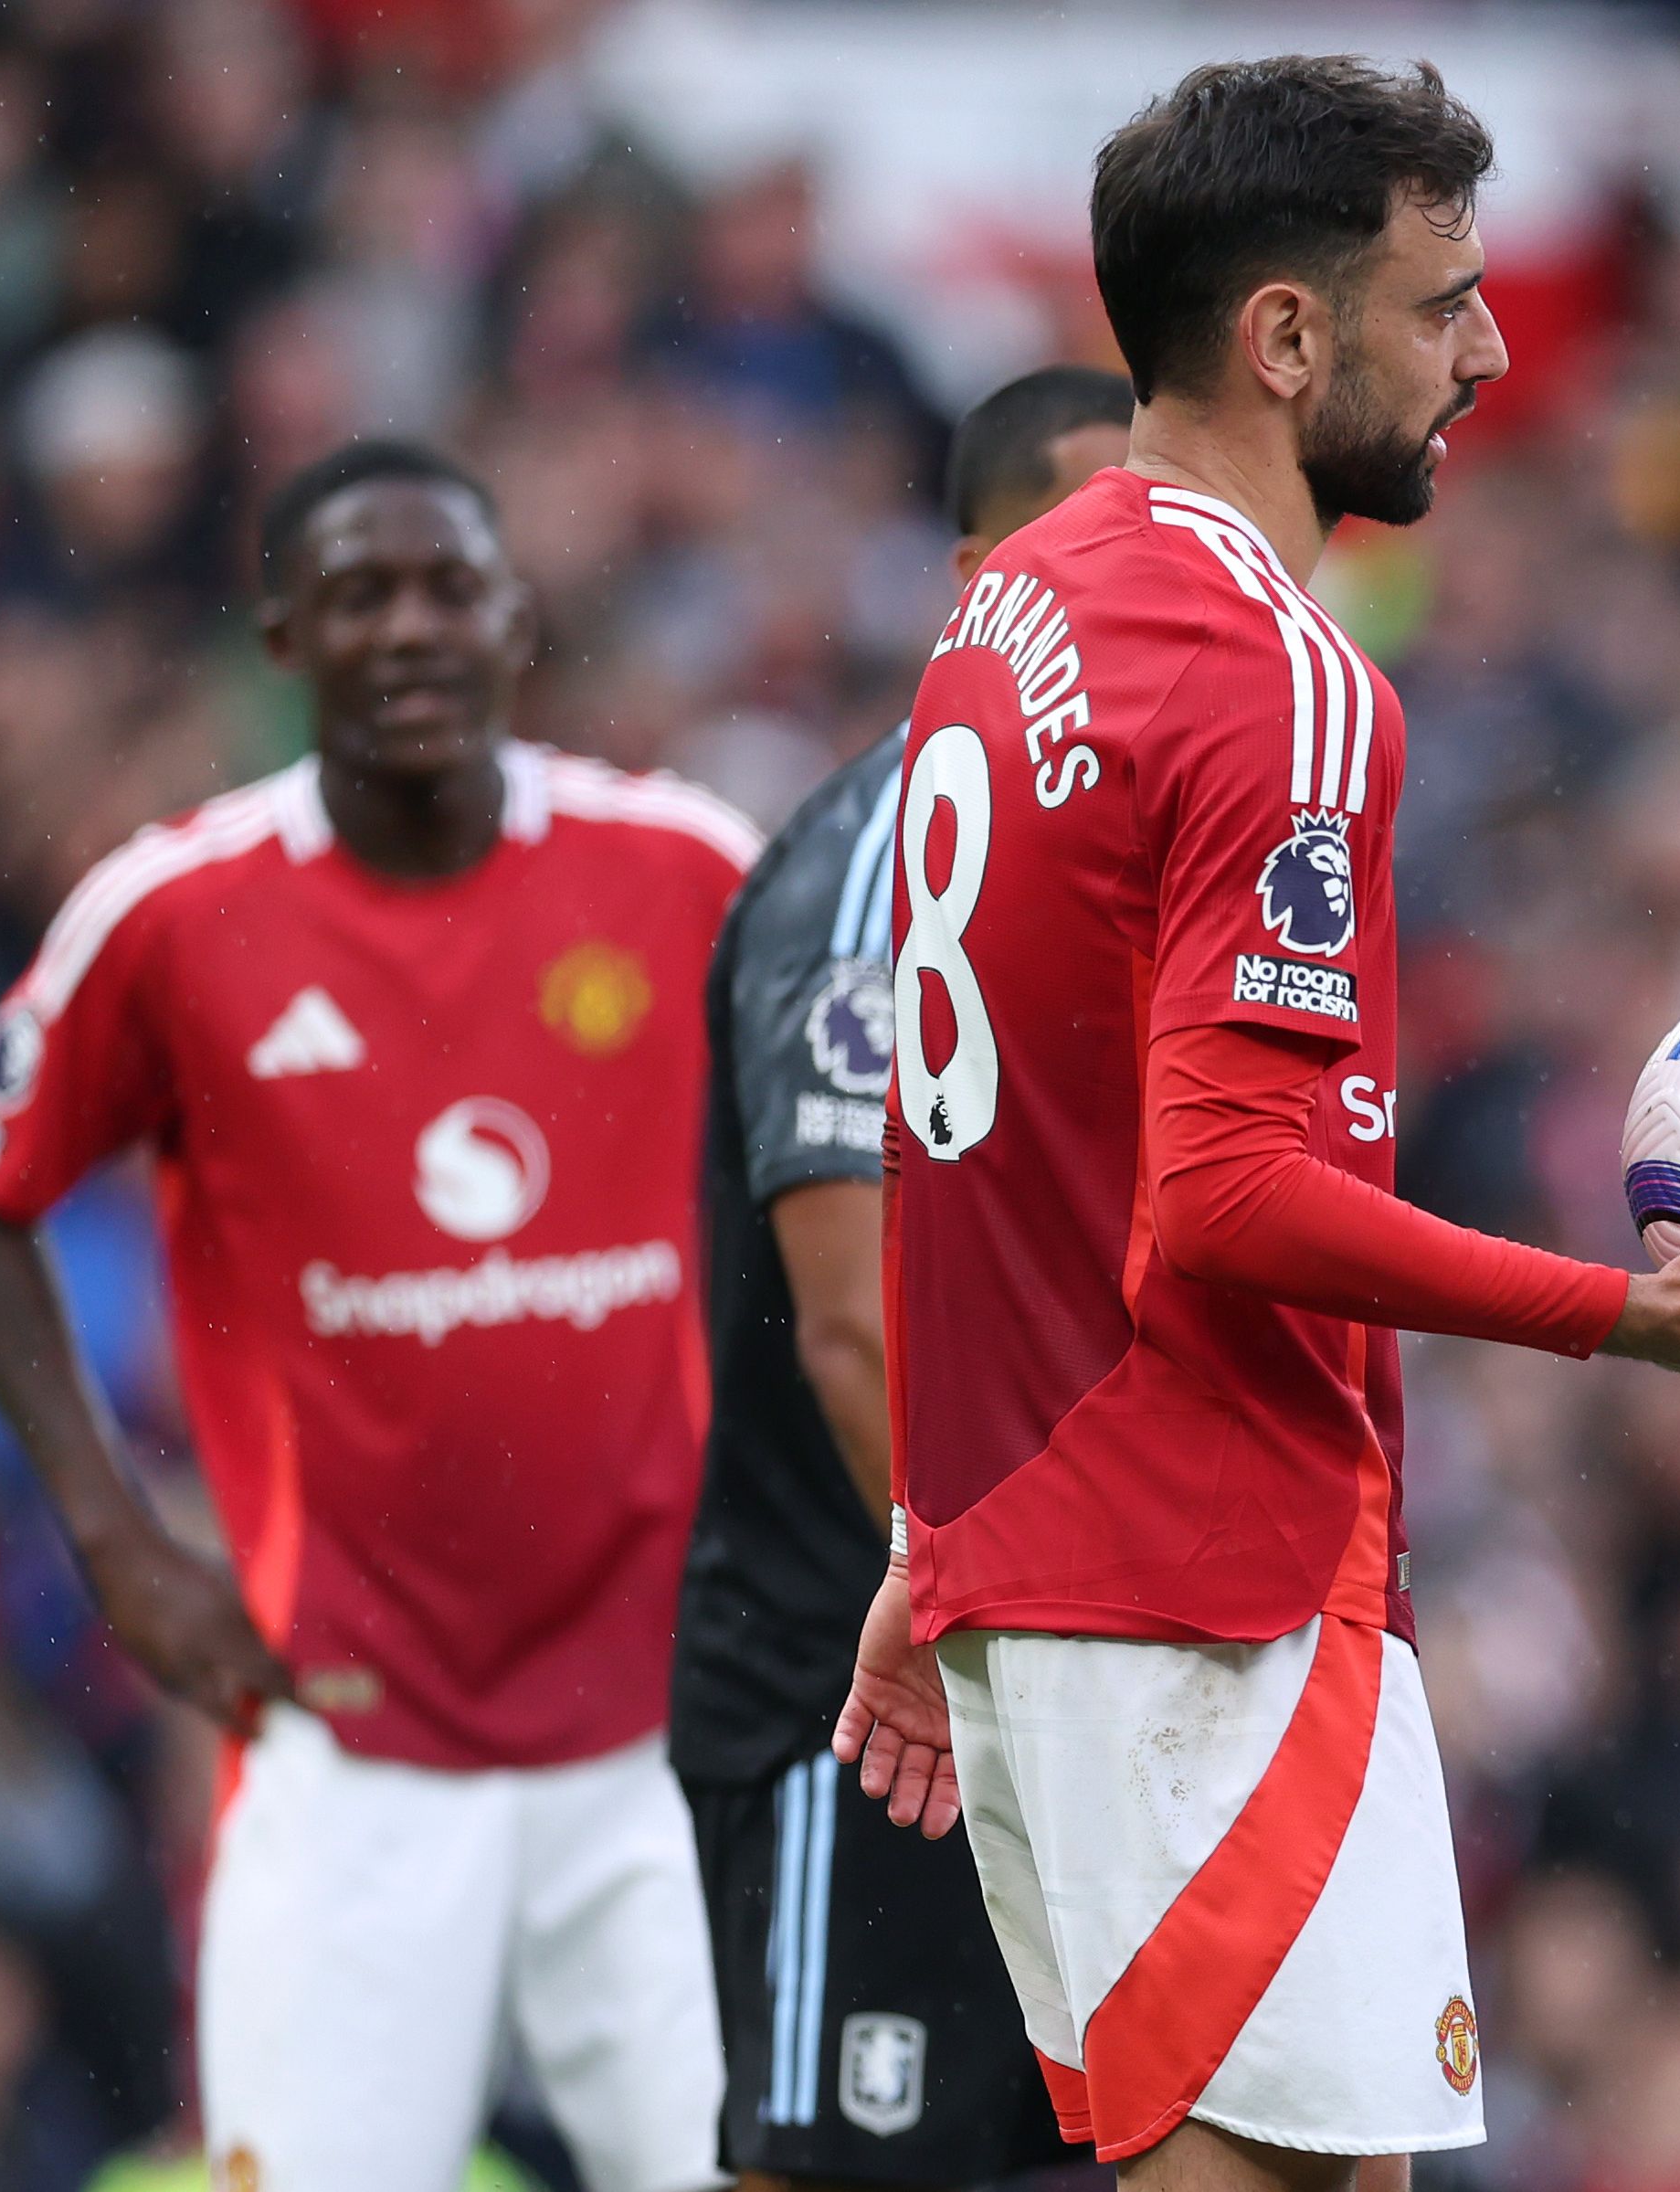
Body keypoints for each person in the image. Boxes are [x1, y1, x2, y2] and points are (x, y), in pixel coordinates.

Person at [823, 57, 1680, 2191]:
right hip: (1199, 1581)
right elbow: (1228, 1193)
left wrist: (935, 1541)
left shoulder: (1010, 606)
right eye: (1445, 306)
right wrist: (1634, 1317)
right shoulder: (1284, 676)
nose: (1492, 356)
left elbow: (976, 1125)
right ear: (1288, 336)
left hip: (1047, 1563)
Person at [0, 440, 757, 2192]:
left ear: (518, 621)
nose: (413, 629)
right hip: (343, 1732)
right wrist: (117, 1546)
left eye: (450, 587)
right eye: (362, 595)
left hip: (660, 1723)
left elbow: (858, 1165)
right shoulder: (176, 912)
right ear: (285, 639)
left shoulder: (685, 868)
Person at [671, 365, 1131, 2192]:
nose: (1120, 591)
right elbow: (858, 1327)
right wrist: (1017, 1624)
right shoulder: (878, 867)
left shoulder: (1139, 859)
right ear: (972, 586)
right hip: (868, 1690)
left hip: (1069, 1661)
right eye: (1075, 542)